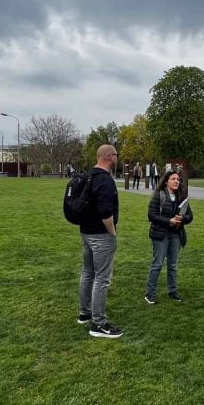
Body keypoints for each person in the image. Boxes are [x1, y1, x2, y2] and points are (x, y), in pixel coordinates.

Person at [77, 144, 123, 338]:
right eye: (116, 155)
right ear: (109, 156)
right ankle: (99, 324)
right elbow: (106, 212)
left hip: (86, 233)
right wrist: (112, 233)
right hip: (101, 235)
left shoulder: (89, 176)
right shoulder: (105, 181)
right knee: (102, 278)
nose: (117, 158)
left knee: (88, 273)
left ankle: (84, 312)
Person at [144, 170, 193, 304]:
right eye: (173, 179)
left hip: (176, 234)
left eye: (178, 179)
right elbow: (151, 215)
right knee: (157, 264)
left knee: (173, 265)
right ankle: (150, 293)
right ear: (166, 181)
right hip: (160, 234)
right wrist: (168, 221)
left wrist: (182, 218)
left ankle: (172, 291)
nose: (176, 181)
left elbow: (190, 216)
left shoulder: (181, 197)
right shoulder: (159, 196)